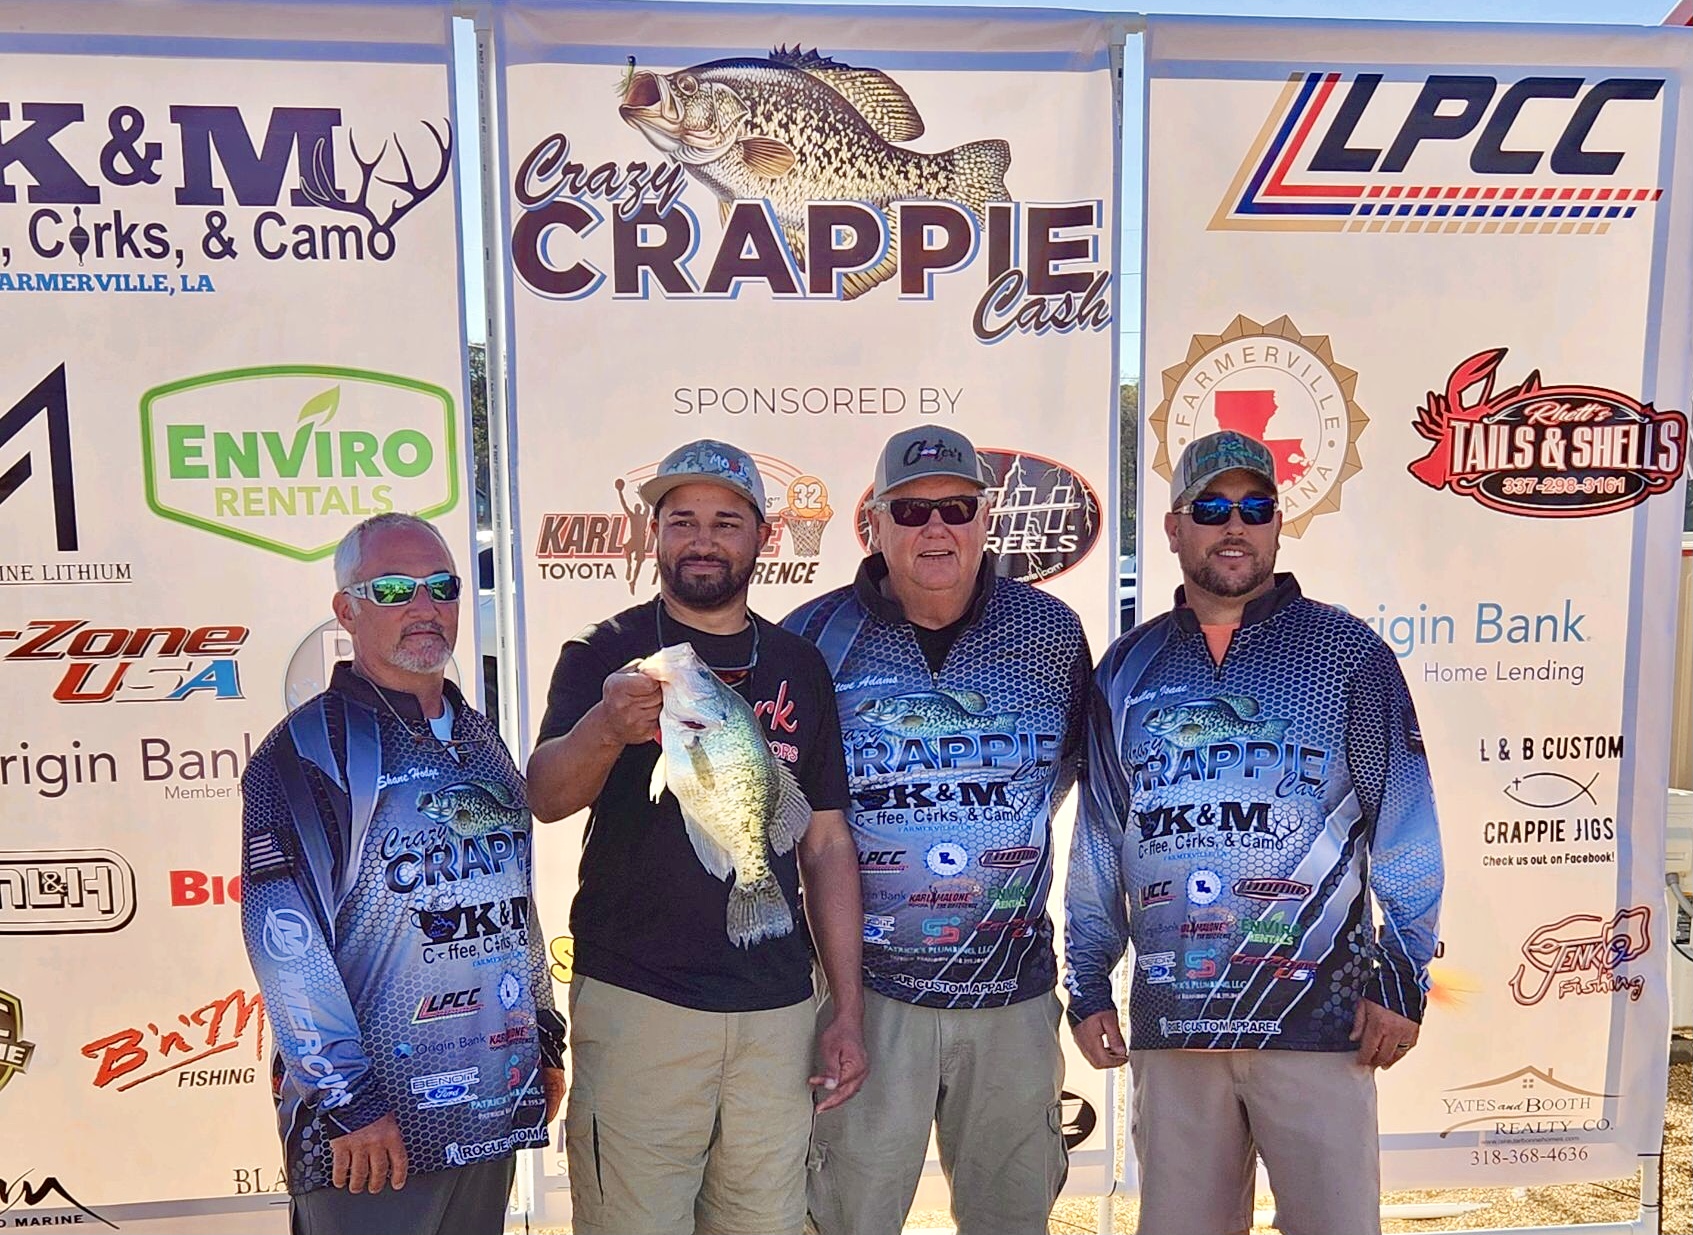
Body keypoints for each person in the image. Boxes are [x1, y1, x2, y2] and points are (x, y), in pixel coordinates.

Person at [1063, 430, 1444, 1235]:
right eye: (1210, 507)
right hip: (1174, 1019)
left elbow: (1405, 822)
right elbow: (1098, 837)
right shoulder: (1125, 668)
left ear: (1276, 522)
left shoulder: (1345, 653)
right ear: (1174, 527)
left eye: (1253, 506)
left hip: (1318, 1020)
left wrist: (1402, 975)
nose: (1233, 524)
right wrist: (1089, 979)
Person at [526, 439, 865, 1235]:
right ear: (654, 534)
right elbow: (545, 794)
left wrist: (845, 1008)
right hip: (640, 1002)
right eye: (681, 521)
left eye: (725, 521)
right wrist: (606, 726)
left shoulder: (799, 664)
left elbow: (824, 843)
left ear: (763, 538)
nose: (702, 539)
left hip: (776, 1011)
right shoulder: (604, 651)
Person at [784, 426, 1091, 1235]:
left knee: (1012, 1218)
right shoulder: (811, 636)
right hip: (863, 997)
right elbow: (790, 815)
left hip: (1011, 993)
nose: (934, 528)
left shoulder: (1051, 633)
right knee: (847, 1217)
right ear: (874, 523)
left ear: (984, 518)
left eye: (955, 508)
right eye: (910, 509)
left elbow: (1059, 778)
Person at [239, 512, 565, 1235]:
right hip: (369, 1134)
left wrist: (543, 1036)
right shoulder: (306, 750)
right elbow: (283, 939)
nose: (423, 606)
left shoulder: (478, 735)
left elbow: (515, 901)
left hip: (487, 1108)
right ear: (346, 609)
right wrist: (348, 1101)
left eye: (442, 587)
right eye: (392, 589)